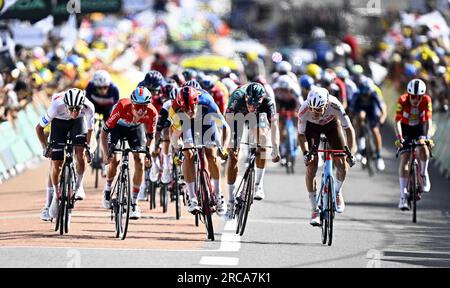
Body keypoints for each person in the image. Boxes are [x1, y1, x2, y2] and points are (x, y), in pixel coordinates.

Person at [298, 87, 356, 226]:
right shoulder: (304, 109)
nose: (314, 112)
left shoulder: (335, 105)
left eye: (318, 109)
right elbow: (301, 135)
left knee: (342, 163)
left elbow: (349, 129)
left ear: (326, 105)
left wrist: (351, 153)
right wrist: (306, 153)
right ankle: (314, 210)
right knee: (311, 165)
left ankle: (336, 192)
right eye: (312, 109)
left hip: (331, 126)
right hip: (312, 129)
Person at [169, 86, 230, 216]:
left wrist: (223, 147)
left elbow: (225, 128)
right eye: (186, 109)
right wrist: (177, 150)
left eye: (191, 108)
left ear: (197, 102)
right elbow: (173, 134)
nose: (189, 112)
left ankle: (219, 195)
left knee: (212, 154)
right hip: (186, 125)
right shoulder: (175, 109)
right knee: (188, 153)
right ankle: (192, 198)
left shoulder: (208, 102)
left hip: (207, 122)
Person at [36, 88, 95, 219]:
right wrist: (45, 147)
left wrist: (88, 147)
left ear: (82, 106)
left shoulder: (89, 106)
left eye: (77, 109)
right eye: (72, 109)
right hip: (59, 122)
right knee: (56, 163)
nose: (74, 112)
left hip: (78, 123)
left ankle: (79, 186)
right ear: (66, 105)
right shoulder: (56, 106)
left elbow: (90, 130)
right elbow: (39, 128)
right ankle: (51, 201)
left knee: (80, 153)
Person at [100, 87, 158, 220]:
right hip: (117, 128)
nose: (141, 110)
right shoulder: (121, 106)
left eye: (144, 106)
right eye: (138, 106)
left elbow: (150, 136)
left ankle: (134, 203)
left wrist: (148, 153)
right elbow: (104, 132)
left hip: (135, 129)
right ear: (132, 104)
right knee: (115, 159)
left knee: (140, 160)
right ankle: (108, 189)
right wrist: (105, 153)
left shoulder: (152, 112)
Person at [225, 83, 281, 220]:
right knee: (233, 156)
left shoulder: (268, 102)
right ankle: (231, 202)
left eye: (255, 105)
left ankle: (258, 185)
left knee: (262, 143)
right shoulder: (237, 97)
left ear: (261, 100)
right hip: (237, 117)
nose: (252, 107)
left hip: (258, 119)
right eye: (250, 104)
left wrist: (275, 149)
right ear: (246, 97)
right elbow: (228, 125)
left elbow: (274, 127)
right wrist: (229, 145)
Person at [394, 79, 433, 210]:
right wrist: (399, 138)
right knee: (405, 159)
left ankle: (423, 173)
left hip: (419, 128)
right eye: (413, 97)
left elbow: (428, 120)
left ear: (422, 96)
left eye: (418, 97)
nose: (415, 100)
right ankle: (402, 197)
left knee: (423, 147)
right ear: (408, 94)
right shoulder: (402, 100)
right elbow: (397, 121)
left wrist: (428, 137)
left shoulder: (427, 100)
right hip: (405, 128)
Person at [350, 77, 387, 171]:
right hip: (360, 109)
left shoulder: (374, 95)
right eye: (363, 95)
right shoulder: (357, 94)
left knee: (375, 130)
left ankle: (379, 157)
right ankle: (360, 144)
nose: (365, 96)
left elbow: (383, 109)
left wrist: (382, 119)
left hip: (372, 109)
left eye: (367, 95)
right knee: (360, 117)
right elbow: (351, 110)